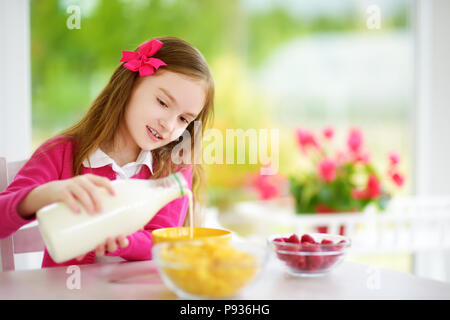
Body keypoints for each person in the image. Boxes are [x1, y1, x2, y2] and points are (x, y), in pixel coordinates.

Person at [0, 36, 215, 268]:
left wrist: (120, 240)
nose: (169, 125)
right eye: (162, 103)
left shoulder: (174, 166)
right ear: (130, 86)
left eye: (184, 119)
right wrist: (45, 194)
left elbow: (162, 239)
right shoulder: (61, 153)